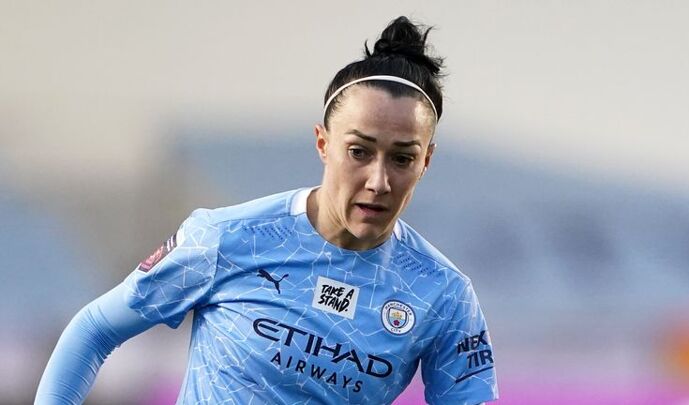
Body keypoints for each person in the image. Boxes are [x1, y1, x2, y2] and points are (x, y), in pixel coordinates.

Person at [35, 16, 498, 404]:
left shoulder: (443, 294)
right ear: (323, 143)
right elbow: (93, 331)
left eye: (402, 158)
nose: (379, 181)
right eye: (359, 152)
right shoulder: (227, 237)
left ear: (425, 161)